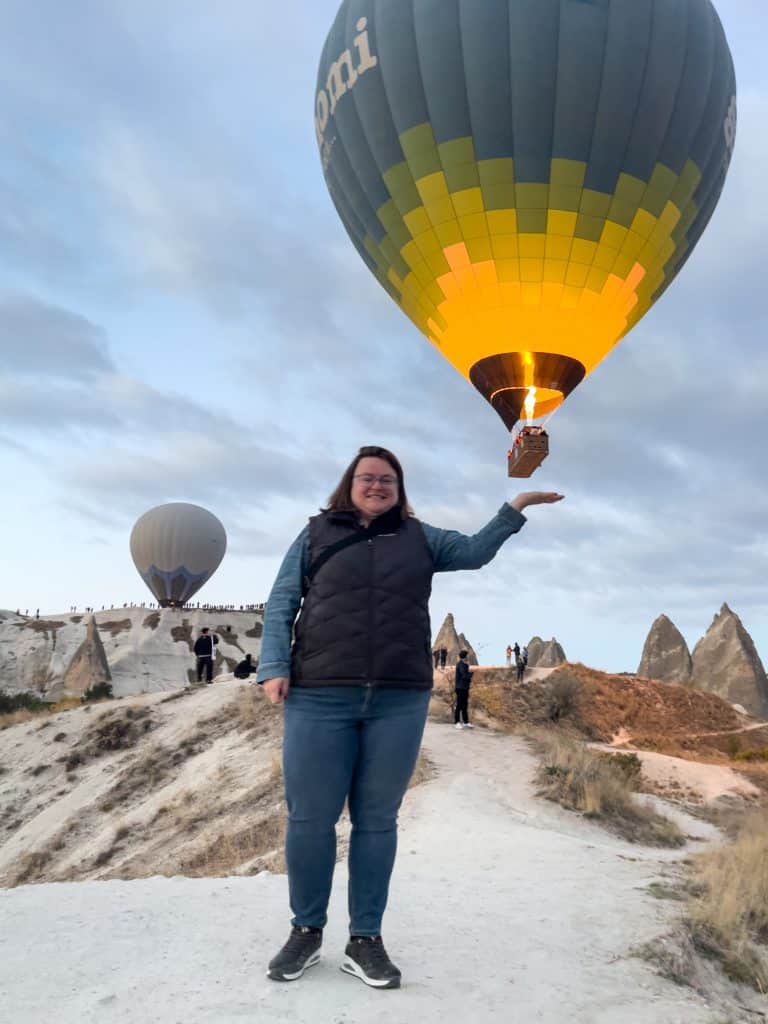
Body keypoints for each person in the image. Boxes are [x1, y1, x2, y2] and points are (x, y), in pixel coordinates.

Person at [257, 445, 563, 989]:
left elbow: (473, 552)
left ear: (400, 489)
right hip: (321, 694)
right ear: (349, 484)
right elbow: (282, 601)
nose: (377, 486)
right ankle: (305, 931)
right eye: (367, 478)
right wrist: (274, 664)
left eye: (387, 480)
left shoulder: (422, 539)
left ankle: (365, 939)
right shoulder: (315, 534)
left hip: (398, 698)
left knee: (377, 821)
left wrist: (514, 509)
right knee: (311, 818)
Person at [453, 650, 473, 730]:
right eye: (467, 656)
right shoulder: (462, 665)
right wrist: (471, 674)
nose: (468, 657)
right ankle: (457, 722)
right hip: (460, 688)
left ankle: (465, 722)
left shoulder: (463, 664)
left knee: (464, 705)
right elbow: (464, 675)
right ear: (465, 656)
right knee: (459, 705)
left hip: (464, 688)